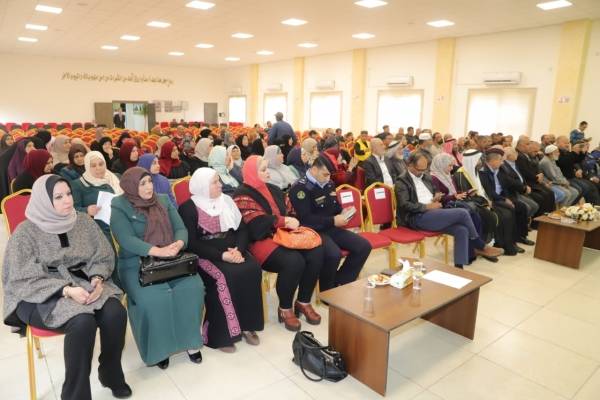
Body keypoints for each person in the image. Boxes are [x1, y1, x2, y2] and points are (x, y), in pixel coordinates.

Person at [2, 175, 130, 400]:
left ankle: (110, 374)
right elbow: (21, 276)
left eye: (68, 194)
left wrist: (98, 278)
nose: (67, 200)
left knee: (115, 313)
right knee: (82, 322)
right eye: (58, 197)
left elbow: (102, 255)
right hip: (39, 292)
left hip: (83, 280)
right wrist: (66, 290)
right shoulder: (25, 232)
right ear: (44, 201)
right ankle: (75, 395)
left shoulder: (83, 221)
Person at [110, 167, 204, 369]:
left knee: (193, 288)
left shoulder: (162, 199)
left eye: (150, 182)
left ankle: (190, 341)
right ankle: (161, 349)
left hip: (172, 259)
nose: (148, 187)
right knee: (154, 299)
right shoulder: (119, 205)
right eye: (142, 184)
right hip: (136, 263)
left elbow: (180, 228)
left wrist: (178, 244)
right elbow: (125, 239)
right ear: (131, 186)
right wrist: (157, 251)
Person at [233, 156, 323, 331]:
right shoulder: (241, 194)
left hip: (284, 235)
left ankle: (303, 301)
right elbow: (255, 224)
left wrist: (289, 221)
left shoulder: (273, 188)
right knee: (294, 261)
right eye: (263, 169)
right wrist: (283, 221)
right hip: (260, 240)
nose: (267, 172)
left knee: (316, 252)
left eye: (267, 168)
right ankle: (285, 307)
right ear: (251, 172)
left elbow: (291, 210)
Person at [179, 168, 263, 352]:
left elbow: (242, 229)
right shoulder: (188, 208)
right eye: (215, 182)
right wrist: (222, 256)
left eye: (219, 180)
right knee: (225, 277)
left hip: (233, 249)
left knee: (252, 269)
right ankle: (221, 335)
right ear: (202, 186)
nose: (220, 185)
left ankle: (247, 325)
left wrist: (239, 250)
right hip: (206, 254)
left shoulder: (227, 201)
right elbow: (191, 243)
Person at [395, 151, 502, 268]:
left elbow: (435, 192)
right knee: (462, 213)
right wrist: (426, 206)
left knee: (462, 230)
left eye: (424, 169)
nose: (422, 172)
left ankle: (459, 267)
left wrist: (436, 196)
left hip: (433, 213)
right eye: (419, 170)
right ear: (410, 165)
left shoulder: (426, 177)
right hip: (416, 217)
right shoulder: (402, 182)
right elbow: (404, 205)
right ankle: (480, 245)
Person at [289, 157, 372, 290]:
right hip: (312, 231)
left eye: (330, 175)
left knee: (364, 246)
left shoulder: (328, 183)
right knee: (333, 254)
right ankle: (326, 291)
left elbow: (335, 207)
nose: (328, 178)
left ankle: (340, 283)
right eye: (325, 174)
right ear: (314, 170)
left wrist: (343, 211)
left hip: (331, 227)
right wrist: (333, 220)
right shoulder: (300, 188)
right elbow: (306, 219)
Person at [431, 153, 497, 247]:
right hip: (445, 207)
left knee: (479, 213)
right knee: (475, 215)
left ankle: (481, 244)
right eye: (449, 166)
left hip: (455, 203)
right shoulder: (434, 178)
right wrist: (454, 197)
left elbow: (454, 192)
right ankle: (478, 245)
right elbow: (439, 198)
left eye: (452, 165)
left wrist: (467, 192)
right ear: (441, 164)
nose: (451, 168)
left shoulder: (447, 175)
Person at [478, 148, 534, 247]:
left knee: (522, 207)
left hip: (503, 195)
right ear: (493, 161)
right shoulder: (483, 172)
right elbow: (490, 192)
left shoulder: (500, 169)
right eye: (500, 160)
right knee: (510, 210)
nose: (502, 163)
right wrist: (504, 199)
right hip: (493, 199)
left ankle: (520, 236)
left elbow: (509, 181)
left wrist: (523, 188)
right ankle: (510, 241)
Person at [71, 151, 123, 243]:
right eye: (93, 166)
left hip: (120, 224)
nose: (98, 168)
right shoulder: (78, 185)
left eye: (101, 164)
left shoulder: (114, 178)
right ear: (87, 167)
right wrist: (87, 210)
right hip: (98, 231)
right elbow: (72, 210)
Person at [515, 137, 557, 214]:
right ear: (521, 145)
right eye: (527, 144)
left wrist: (539, 177)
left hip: (534, 181)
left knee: (550, 193)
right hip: (528, 183)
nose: (529, 146)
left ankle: (548, 215)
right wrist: (537, 177)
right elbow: (525, 172)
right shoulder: (519, 156)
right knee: (543, 196)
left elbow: (534, 170)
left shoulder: (525, 155)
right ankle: (540, 218)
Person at [556, 136, 600, 204]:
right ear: (558, 143)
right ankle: (570, 205)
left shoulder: (566, 152)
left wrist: (583, 152)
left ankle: (592, 206)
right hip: (565, 178)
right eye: (565, 143)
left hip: (572, 177)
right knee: (584, 188)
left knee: (588, 187)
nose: (567, 144)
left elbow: (577, 160)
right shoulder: (556, 152)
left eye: (568, 143)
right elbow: (564, 162)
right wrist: (574, 152)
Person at [499, 147, 540, 219]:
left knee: (536, 205)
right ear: (508, 156)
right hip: (514, 192)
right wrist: (524, 188)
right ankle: (525, 221)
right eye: (514, 152)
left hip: (522, 188)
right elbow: (511, 182)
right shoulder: (504, 166)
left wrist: (525, 186)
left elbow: (521, 177)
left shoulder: (514, 163)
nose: (517, 153)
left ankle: (528, 220)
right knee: (528, 207)